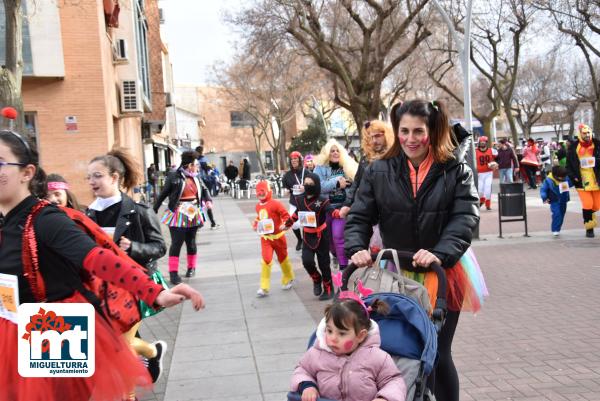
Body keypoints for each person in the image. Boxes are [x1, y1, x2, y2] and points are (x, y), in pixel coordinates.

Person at [0, 129, 205, 401]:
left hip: (52, 327)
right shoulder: (6, 221)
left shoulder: (45, 220)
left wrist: (155, 292)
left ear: (27, 172)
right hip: (12, 327)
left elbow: (100, 259)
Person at [345, 100, 481, 401]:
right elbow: (359, 216)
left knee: (438, 352)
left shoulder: (455, 170)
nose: (410, 138)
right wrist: (357, 247)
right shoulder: (378, 170)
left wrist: (441, 252)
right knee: (405, 350)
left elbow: (465, 217)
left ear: (432, 131)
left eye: (418, 131)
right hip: (395, 273)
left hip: (441, 270)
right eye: (404, 131)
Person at [85, 148, 169, 384]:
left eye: (97, 175)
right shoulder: (87, 214)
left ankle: (134, 380)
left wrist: (133, 249)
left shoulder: (140, 211)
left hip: (135, 288)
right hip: (101, 290)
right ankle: (151, 353)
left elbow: (159, 247)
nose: (92, 181)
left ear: (114, 177)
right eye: (89, 177)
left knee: (119, 345)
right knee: (116, 342)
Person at [290, 294, 406, 401]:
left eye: (342, 333)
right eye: (329, 331)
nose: (333, 338)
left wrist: (384, 398)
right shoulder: (316, 354)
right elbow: (302, 370)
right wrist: (307, 386)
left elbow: (394, 381)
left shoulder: (376, 357)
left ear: (360, 336)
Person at [154, 151, 212, 284]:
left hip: (193, 213)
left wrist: (208, 200)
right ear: (189, 165)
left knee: (191, 243)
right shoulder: (174, 176)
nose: (197, 167)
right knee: (176, 243)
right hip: (178, 213)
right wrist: (155, 208)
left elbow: (204, 189)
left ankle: (191, 268)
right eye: (195, 164)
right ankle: (173, 273)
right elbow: (164, 193)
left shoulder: (196, 176)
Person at [286, 173, 335, 300]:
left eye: (311, 184)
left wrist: (340, 213)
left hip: (322, 236)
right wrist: (287, 224)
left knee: (324, 264)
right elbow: (296, 214)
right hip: (307, 236)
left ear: (317, 185)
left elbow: (332, 211)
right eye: (306, 183)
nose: (307, 186)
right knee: (307, 261)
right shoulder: (300, 199)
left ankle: (329, 289)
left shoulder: (323, 200)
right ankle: (316, 279)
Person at [314, 139, 358, 271]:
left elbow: (356, 184)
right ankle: (335, 255)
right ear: (327, 153)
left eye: (337, 150)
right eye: (332, 151)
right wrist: (337, 183)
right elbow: (318, 187)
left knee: (338, 237)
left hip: (341, 208)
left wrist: (349, 187)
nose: (335, 153)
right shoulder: (320, 168)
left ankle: (344, 268)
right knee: (329, 241)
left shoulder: (347, 166)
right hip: (326, 208)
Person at [252, 180, 295, 297]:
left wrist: (286, 224)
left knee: (283, 258)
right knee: (266, 259)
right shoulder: (257, 206)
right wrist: (255, 224)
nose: (260, 194)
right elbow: (259, 217)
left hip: (279, 237)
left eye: (262, 191)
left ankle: (288, 277)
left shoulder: (275, 203)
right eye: (258, 192)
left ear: (268, 191)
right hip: (266, 238)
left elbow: (286, 215)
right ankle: (264, 287)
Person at [566, 123, 600, 238]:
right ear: (580, 134)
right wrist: (573, 177)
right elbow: (568, 166)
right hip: (581, 180)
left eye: (588, 133)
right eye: (584, 133)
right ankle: (589, 227)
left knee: (597, 205)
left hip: (596, 179)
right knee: (588, 204)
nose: (587, 135)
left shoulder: (598, 145)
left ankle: (589, 216)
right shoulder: (573, 148)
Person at [282, 151, 306, 251]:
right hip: (294, 202)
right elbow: (285, 187)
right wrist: (286, 191)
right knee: (294, 223)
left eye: (296, 159)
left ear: (300, 160)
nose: (294, 161)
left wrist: (305, 188)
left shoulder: (306, 172)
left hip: (305, 201)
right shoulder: (287, 175)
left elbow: (314, 185)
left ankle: (305, 241)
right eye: (292, 159)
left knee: (305, 223)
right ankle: (299, 239)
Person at [540, 166, 572, 237]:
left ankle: (558, 228)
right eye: (561, 177)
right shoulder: (548, 180)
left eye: (564, 176)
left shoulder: (565, 177)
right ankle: (555, 229)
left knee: (562, 214)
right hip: (554, 200)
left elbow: (571, 183)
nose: (563, 178)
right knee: (556, 214)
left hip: (564, 199)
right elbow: (543, 190)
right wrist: (544, 197)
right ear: (555, 175)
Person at [475, 136, 498, 210]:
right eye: (481, 142)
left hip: (488, 172)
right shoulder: (475, 151)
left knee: (487, 189)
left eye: (483, 142)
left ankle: (488, 205)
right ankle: (482, 200)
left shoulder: (492, 150)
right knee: (480, 190)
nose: (482, 143)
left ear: (486, 143)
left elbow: (498, 159)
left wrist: (495, 164)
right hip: (479, 173)